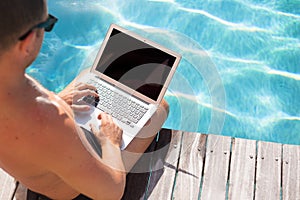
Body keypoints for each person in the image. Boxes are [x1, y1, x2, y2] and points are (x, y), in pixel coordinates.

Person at [0, 0, 169, 199]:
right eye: (47, 25)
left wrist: (59, 99)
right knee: (160, 108)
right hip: (72, 190)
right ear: (27, 42)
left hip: (33, 163)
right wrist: (110, 142)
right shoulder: (52, 120)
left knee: (88, 76)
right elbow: (111, 193)